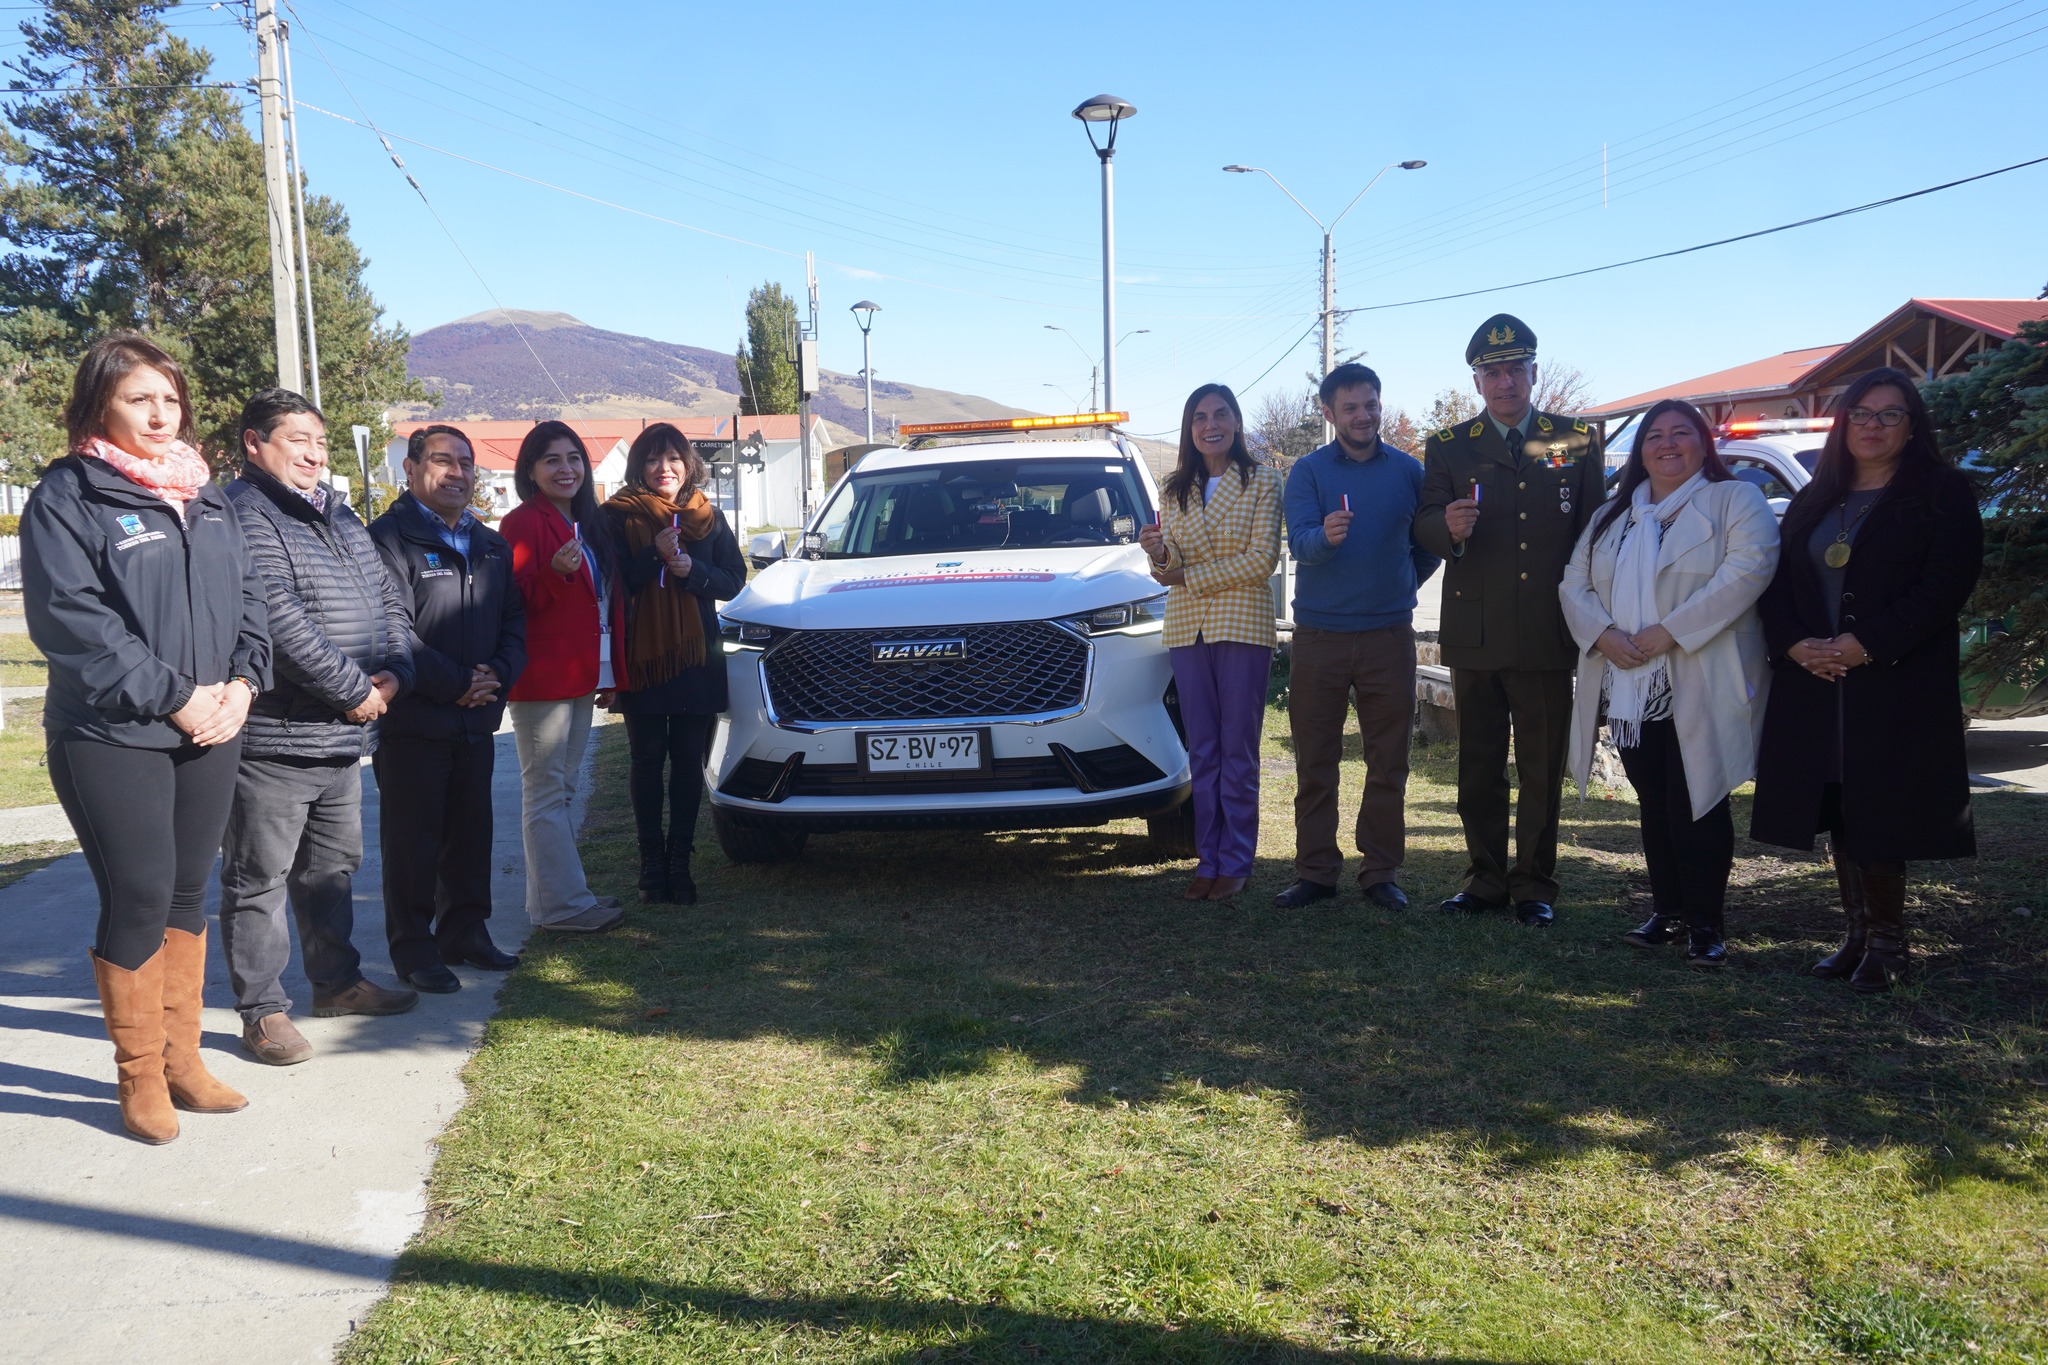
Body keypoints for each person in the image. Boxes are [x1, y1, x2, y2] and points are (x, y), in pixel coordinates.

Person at [22, 333, 270, 1144]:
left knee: (188, 892)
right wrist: (177, 698)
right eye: (140, 398)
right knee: (138, 894)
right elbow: (73, 623)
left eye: (170, 398)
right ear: (101, 403)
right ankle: (138, 1078)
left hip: (213, 725)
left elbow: (250, 599)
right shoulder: (69, 494)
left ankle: (184, 1060)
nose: (160, 414)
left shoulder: (209, 495)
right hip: (112, 734)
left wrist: (242, 683)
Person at [1750, 368, 1983, 993]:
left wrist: (1865, 645)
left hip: (1892, 681)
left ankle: (1889, 945)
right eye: (1862, 413)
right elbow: (1773, 585)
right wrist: (1796, 643)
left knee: (1880, 804)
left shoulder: (1941, 492)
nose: (1873, 425)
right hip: (1817, 680)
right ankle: (1855, 935)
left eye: (1890, 414)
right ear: (1844, 421)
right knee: (1842, 804)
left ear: (1911, 429)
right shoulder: (1815, 496)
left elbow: (1945, 587)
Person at [219, 389, 420, 1067]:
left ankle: (336, 982)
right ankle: (262, 1009)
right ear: (254, 444)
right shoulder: (243, 512)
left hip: (340, 734)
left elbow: (389, 600)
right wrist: (352, 688)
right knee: (260, 878)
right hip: (277, 734)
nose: (312, 453)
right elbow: (277, 616)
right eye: (296, 439)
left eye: (321, 442)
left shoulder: (337, 513)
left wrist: (394, 671)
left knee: (332, 869)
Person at [1559, 399, 1779, 967]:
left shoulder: (1734, 500)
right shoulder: (1613, 515)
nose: (1667, 444)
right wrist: (1604, 634)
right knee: (1654, 801)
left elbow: (1748, 570)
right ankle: (1668, 910)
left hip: (1696, 674)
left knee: (1699, 798)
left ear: (1703, 443)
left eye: (1682, 433)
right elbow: (1572, 583)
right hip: (1628, 682)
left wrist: (1671, 633)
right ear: (1641, 451)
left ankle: (1707, 923)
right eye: (1655, 435)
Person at [1414, 314, 1608, 928]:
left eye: (1514, 370)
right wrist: (1446, 529)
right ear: (1477, 382)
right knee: (1478, 765)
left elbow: (1593, 532)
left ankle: (1534, 884)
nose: (1504, 383)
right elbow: (1420, 523)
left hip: (1547, 630)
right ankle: (1484, 878)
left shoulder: (1574, 439)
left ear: (1533, 373)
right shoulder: (1448, 445)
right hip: (1476, 633)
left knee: (1541, 766)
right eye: (1491, 373)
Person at [368, 425, 531, 992]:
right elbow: (390, 634)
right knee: (413, 842)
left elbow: (513, 620)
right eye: (442, 461)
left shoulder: (489, 544)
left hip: (476, 719)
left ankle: (466, 932)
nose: (457, 473)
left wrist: (499, 674)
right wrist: (457, 682)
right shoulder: (387, 539)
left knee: (471, 833)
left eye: (467, 463)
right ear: (410, 470)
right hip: (416, 722)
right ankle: (414, 948)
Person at [1273, 363, 1440, 912]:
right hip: (1320, 636)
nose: (1363, 415)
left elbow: (1427, 544)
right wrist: (1325, 537)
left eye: (1371, 404)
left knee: (1388, 761)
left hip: (1389, 636)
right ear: (1328, 413)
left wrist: (1398, 587)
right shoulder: (1309, 472)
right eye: (1350, 407)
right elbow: (1299, 543)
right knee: (1315, 760)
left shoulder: (1408, 471)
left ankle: (1380, 871)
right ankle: (1316, 871)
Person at [1138, 384, 1283, 902]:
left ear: (1238, 422)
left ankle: (1237, 861)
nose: (1210, 424)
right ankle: (1210, 858)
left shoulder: (1264, 481)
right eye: (1199, 417)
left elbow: (1260, 560)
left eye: (1220, 414)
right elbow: (1168, 572)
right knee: (1203, 750)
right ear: (1189, 428)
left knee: (1237, 749)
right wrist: (1157, 555)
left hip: (1243, 626)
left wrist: (1185, 576)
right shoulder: (1174, 488)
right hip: (1186, 630)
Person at [602, 423, 745, 905]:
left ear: (689, 465)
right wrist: (654, 556)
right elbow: (609, 582)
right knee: (646, 761)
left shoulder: (708, 516)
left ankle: (680, 865)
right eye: (652, 460)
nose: (664, 469)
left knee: (687, 762)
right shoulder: (615, 515)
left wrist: (694, 572)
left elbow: (733, 579)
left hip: (696, 658)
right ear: (638, 466)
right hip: (642, 658)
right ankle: (651, 868)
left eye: (673, 460)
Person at [500, 421, 627, 932]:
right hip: (542, 678)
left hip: (578, 671)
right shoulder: (522, 522)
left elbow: (600, 604)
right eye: (551, 459)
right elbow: (512, 602)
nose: (565, 468)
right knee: (547, 792)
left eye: (573, 457)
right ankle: (562, 907)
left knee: (563, 790)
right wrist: (552, 572)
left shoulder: (586, 522)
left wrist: (607, 671)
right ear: (530, 470)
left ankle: (555, 897)